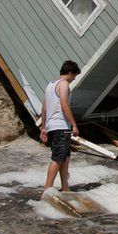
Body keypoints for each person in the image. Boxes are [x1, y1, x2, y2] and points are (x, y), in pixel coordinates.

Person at [41, 60, 81, 194]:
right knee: (58, 158)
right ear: (69, 72)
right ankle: (47, 189)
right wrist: (74, 125)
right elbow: (64, 105)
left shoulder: (50, 86)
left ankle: (65, 187)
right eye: (74, 75)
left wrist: (44, 127)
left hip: (52, 126)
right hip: (61, 126)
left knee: (65, 157)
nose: (74, 78)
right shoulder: (64, 85)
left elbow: (44, 108)